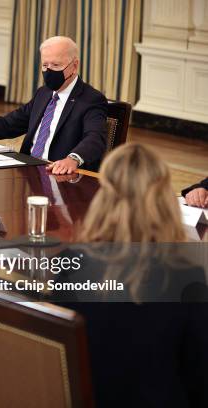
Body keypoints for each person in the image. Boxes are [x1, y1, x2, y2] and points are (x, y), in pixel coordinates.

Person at [55, 144, 208, 407]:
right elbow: (199, 378)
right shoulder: (187, 276)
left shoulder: (72, 261)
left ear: (104, 198)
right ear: (164, 202)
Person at [0, 36, 107, 174]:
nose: (49, 71)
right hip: (26, 170)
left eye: (56, 65)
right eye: (45, 65)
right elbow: (8, 124)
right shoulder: (44, 93)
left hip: (57, 174)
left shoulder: (90, 99)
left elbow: (95, 137)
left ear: (74, 66)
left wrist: (73, 159)